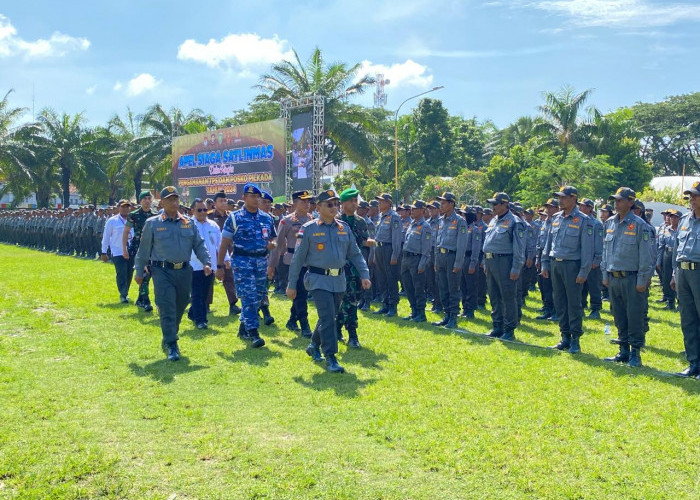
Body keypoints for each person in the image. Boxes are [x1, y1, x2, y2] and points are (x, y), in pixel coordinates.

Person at [286, 189, 371, 373]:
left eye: (336, 204)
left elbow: (355, 254)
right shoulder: (308, 229)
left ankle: (313, 345)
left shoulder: (344, 228)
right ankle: (331, 356)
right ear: (318, 207)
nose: (334, 208)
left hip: (339, 280)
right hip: (318, 280)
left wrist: (365, 274)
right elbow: (298, 259)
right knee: (328, 317)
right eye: (329, 204)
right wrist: (291, 284)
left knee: (329, 316)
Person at [134, 187, 212, 361]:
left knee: (182, 302)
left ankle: (170, 332)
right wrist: (139, 271)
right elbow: (143, 249)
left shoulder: (188, 222)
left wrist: (207, 262)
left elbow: (198, 244)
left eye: (176, 199)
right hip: (162, 271)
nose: (174, 202)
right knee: (167, 304)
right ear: (162, 202)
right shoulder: (153, 223)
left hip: (184, 270)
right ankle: (171, 343)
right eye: (170, 199)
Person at [216, 183, 276, 348]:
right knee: (248, 297)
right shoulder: (235, 218)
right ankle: (253, 332)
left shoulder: (267, 218)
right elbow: (224, 243)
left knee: (258, 297)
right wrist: (220, 266)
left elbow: (273, 237)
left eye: (257, 197)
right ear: (244, 198)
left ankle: (243, 327)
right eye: (252, 196)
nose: (255, 199)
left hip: (261, 262)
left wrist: (272, 244)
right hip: (242, 262)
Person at [601, 187, 653, 367]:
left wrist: (642, 280)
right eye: (615, 200)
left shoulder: (641, 226)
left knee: (635, 316)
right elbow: (605, 252)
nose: (616, 203)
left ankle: (635, 353)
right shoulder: (609, 223)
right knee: (619, 314)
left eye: (620, 200)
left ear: (631, 202)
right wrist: (605, 274)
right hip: (614, 277)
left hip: (632, 278)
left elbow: (647, 256)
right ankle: (623, 350)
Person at [541, 186, 594, 353]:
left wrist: (583, 271)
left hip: (572, 266)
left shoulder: (583, 220)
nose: (560, 200)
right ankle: (564, 336)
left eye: (563, 197)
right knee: (560, 302)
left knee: (574, 304)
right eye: (559, 197)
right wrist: (544, 263)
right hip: (555, 264)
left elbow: (587, 249)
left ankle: (575, 339)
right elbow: (548, 244)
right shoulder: (555, 218)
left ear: (573, 198)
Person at [268, 190, 315, 337]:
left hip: (308, 261)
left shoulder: (312, 219)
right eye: (303, 201)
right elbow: (278, 243)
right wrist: (272, 264)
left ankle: (292, 320)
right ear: (294, 203)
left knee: (302, 291)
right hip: (292, 261)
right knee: (300, 292)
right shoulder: (286, 221)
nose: (307, 204)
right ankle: (304, 324)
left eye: (308, 201)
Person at [482, 192, 525, 341]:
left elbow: (519, 248)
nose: (493, 207)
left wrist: (516, 268)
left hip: (505, 262)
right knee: (494, 296)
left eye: (495, 204)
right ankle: (497, 326)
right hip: (491, 261)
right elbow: (488, 242)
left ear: (505, 204)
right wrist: (485, 261)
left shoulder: (515, 222)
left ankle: (509, 329)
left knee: (507, 297)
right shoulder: (494, 220)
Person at [336, 188, 373, 346]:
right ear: (342, 203)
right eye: (350, 201)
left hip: (355, 268)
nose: (354, 203)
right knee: (341, 301)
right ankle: (344, 331)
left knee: (352, 300)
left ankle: (347, 332)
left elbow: (363, 242)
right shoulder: (336, 221)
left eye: (355, 200)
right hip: (339, 268)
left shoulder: (360, 221)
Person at [671, 182, 700, 378]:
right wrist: (674, 273)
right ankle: (694, 363)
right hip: (683, 273)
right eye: (690, 195)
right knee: (688, 319)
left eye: (696, 195)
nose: (692, 198)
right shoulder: (684, 220)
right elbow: (676, 249)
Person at [188, 198, 227, 329]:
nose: (203, 212)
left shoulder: (213, 225)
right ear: (192, 211)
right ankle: (201, 320)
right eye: (199, 210)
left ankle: (193, 312)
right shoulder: (187, 224)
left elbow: (220, 244)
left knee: (204, 293)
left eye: (205, 209)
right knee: (197, 293)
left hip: (211, 265)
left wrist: (225, 259)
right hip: (194, 265)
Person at [432, 192, 468, 329]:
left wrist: (458, 263)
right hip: (441, 257)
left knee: (453, 288)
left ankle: (453, 316)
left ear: (451, 204)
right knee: (443, 288)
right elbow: (437, 241)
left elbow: (462, 244)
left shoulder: (460, 221)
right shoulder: (441, 220)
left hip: (452, 256)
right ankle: (446, 315)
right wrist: (436, 260)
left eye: (443, 203)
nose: (441, 205)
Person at [123, 191, 158, 312]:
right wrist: (124, 249)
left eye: (149, 198)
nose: (147, 201)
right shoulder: (133, 215)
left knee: (148, 273)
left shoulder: (155, 215)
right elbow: (126, 231)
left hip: (153, 249)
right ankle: (146, 300)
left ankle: (140, 298)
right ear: (140, 201)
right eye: (145, 199)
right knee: (144, 273)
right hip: (138, 248)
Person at [207, 190, 241, 316]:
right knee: (209, 277)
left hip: (228, 252)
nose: (223, 203)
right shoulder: (209, 216)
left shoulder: (231, 216)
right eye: (220, 201)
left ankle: (233, 304)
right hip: (212, 251)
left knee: (229, 277)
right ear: (214, 203)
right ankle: (206, 304)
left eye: (225, 200)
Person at [400, 200, 433, 323]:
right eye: (412, 209)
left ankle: (421, 313)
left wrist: (422, 264)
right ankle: (413, 311)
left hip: (416, 259)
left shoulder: (426, 227)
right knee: (408, 287)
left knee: (418, 287)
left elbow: (426, 248)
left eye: (415, 209)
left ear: (422, 210)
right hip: (406, 258)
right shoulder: (411, 224)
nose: (412, 211)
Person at [373, 193, 402, 317]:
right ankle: (385, 304)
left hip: (388, 249)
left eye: (381, 201)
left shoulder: (394, 217)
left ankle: (392, 306)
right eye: (379, 201)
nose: (379, 204)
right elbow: (376, 235)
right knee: (381, 278)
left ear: (389, 203)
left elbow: (396, 238)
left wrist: (395, 255)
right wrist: (374, 253)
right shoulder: (381, 216)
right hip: (379, 248)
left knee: (391, 278)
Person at [101, 200, 134, 303]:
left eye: (127, 207)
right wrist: (103, 252)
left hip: (131, 251)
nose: (125, 209)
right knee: (121, 272)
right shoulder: (112, 221)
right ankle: (123, 294)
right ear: (118, 208)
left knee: (129, 273)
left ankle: (125, 292)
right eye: (123, 206)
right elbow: (106, 236)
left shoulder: (133, 220)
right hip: (118, 251)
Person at [578, 198, 604, 319]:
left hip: (593, 261)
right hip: (580, 260)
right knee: (580, 286)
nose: (580, 208)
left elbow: (599, 243)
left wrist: (597, 260)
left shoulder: (596, 224)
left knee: (594, 286)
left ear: (589, 208)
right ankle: (581, 306)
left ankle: (595, 309)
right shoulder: (578, 221)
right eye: (580, 206)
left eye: (583, 206)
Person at [658, 209, 680, 310]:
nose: (672, 219)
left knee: (679, 278)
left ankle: (680, 303)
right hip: (667, 254)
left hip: (678, 255)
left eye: (675, 217)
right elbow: (661, 245)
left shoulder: (681, 230)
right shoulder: (666, 229)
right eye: (671, 217)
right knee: (667, 278)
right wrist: (658, 261)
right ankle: (670, 302)